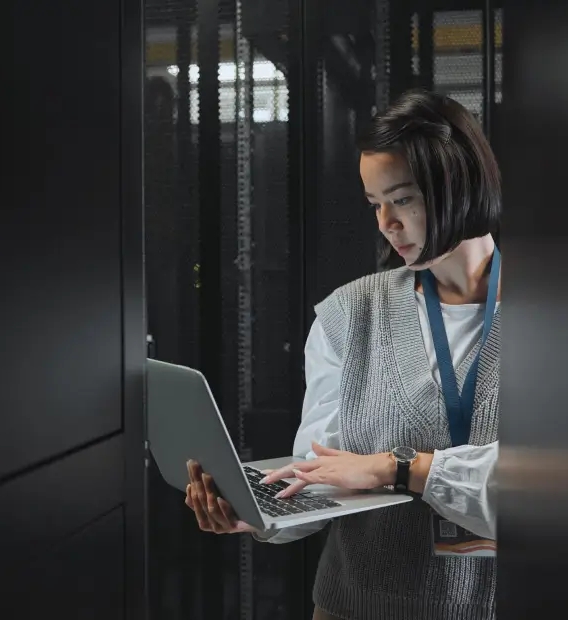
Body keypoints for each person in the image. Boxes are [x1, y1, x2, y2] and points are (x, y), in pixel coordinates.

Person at [185, 89, 502, 620]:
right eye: (375, 204)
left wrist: (396, 469)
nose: (386, 223)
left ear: (457, 185)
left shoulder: (562, 311)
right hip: (358, 606)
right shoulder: (347, 313)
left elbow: (557, 483)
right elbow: (322, 469)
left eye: (402, 199)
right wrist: (258, 512)